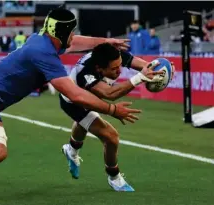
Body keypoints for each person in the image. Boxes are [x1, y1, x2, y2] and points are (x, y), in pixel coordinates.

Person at [0, 7, 140, 197]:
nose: (73, 37)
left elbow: (75, 41)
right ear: (63, 33)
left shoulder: (41, 39)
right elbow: (76, 95)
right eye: (71, 32)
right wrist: (113, 109)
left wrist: (104, 42)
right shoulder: (44, 54)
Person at [60, 43, 166, 192]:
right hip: (74, 102)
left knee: (85, 123)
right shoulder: (86, 72)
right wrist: (139, 78)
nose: (120, 70)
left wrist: (160, 69)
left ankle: (71, 149)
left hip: (89, 93)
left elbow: (146, 66)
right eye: (114, 69)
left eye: (120, 65)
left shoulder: (113, 56)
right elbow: (109, 94)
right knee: (111, 137)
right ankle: (114, 178)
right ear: (99, 69)